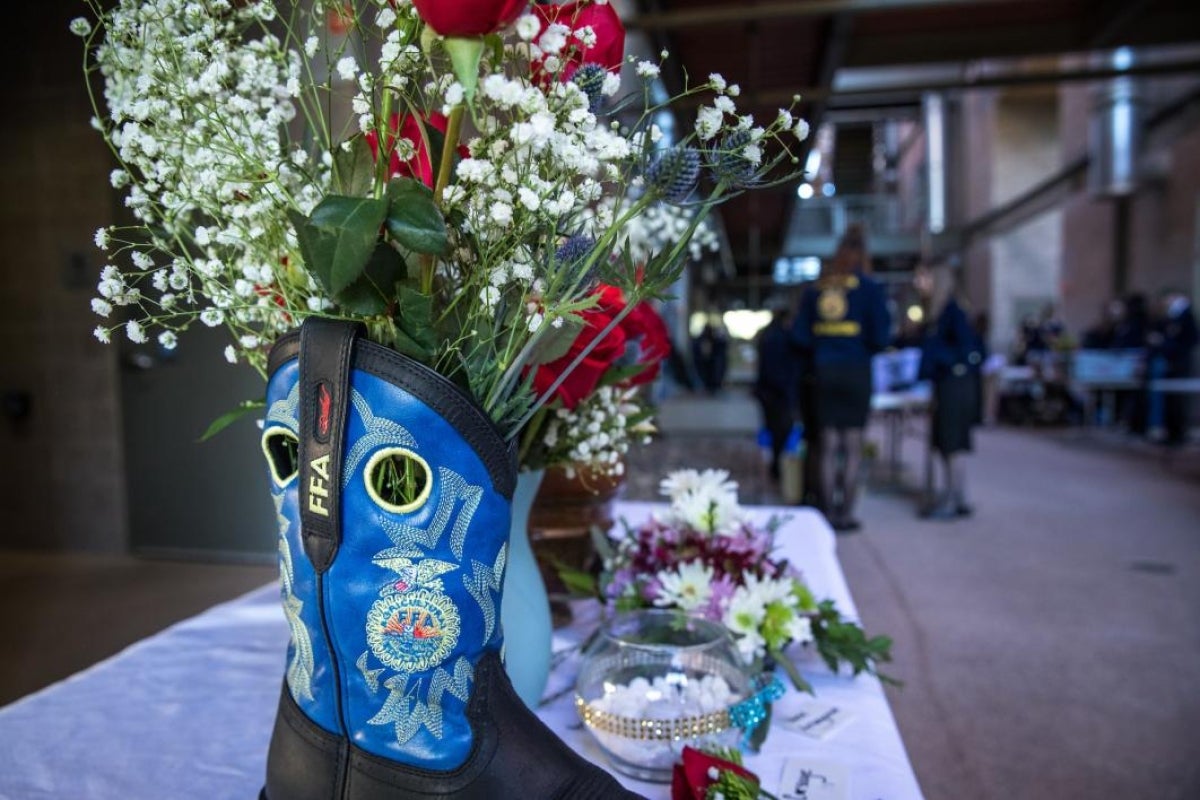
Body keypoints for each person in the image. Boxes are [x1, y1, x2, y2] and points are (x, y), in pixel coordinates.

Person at [791, 225, 891, 532]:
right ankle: (845, 513)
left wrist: (824, 346)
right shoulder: (870, 288)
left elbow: (799, 336)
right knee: (853, 444)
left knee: (827, 442)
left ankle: (826, 512)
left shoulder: (818, 289)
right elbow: (881, 336)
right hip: (856, 370)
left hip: (823, 371)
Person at [920, 295, 982, 519]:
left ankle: (951, 500)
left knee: (950, 447)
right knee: (954, 448)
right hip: (963, 390)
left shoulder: (944, 328)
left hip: (949, 392)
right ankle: (959, 497)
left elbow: (928, 364)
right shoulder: (964, 328)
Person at [754, 309, 800, 481]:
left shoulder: (769, 335)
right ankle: (776, 465)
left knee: (773, 427)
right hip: (778, 390)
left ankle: (775, 463)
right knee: (782, 427)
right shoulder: (783, 337)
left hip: (769, 390)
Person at [1148, 288, 1198, 446]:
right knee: (1170, 399)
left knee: (1178, 399)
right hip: (1170, 362)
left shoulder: (1185, 318)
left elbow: (1188, 340)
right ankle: (1171, 432)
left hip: (1180, 363)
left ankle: (1178, 433)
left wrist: (1164, 344)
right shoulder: (1171, 318)